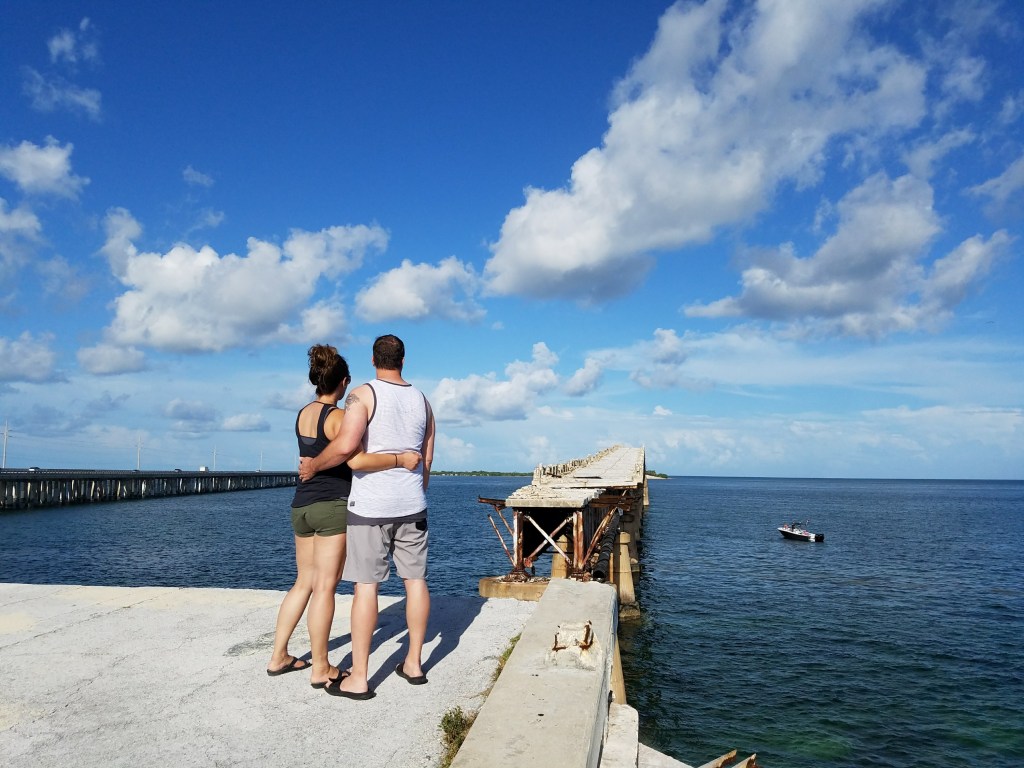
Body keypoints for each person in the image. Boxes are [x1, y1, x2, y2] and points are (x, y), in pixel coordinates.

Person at [267, 343, 420, 689]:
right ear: (344, 381)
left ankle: (279, 655)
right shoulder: (337, 417)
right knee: (325, 587)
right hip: (331, 505)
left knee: (302, 582)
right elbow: (354, 460)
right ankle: (321, 667)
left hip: (301, 506)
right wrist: (399, 459)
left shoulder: (303, 414)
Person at [298, 334, 434, 700]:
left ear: (374, 360)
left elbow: (345, 447)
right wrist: (413, 491)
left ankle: (359, 677)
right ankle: (414, 664)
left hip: (370, 507)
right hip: (412, 503)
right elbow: (427, 460)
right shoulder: (423, 400)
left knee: (366, 588)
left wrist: (313, 466)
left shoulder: (363, 394)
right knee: (415, 582)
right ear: (403, 360)